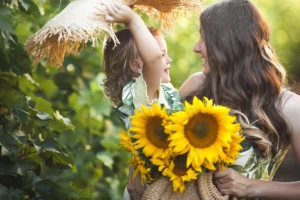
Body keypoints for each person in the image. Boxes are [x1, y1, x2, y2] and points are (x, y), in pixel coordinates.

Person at [179, 0, 300, 199]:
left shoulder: (289, 107)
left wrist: (252, 187)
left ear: (228, 43)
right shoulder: (196, 85)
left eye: (204, 38)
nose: (196, 48)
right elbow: (156, 145)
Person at [103, 3, 183, 200]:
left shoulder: (161, 92)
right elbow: (153, 59)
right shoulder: (140, 92)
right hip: (151, 190)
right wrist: (132, 19)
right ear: (137, 65)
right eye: (163, 54)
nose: (168, 59)